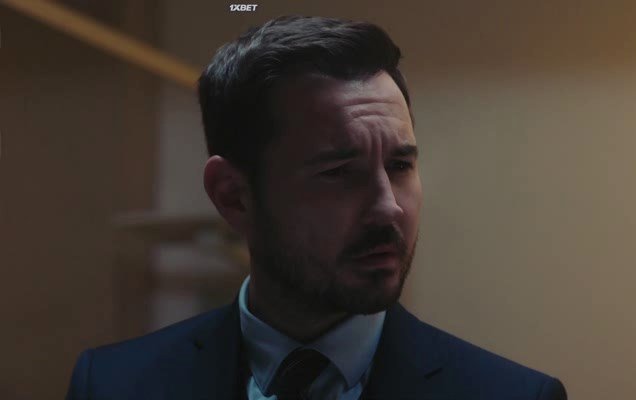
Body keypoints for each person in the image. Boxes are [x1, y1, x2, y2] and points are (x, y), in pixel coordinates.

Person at [65, 15, 567, 400]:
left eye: (399, 165)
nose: (388, 209)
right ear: (233, 195)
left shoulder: (515, 396)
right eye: (339, 172)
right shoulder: (112, 386)